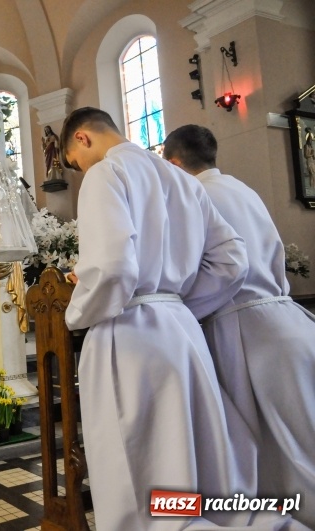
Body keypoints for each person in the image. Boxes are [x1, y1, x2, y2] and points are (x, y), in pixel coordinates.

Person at [59, 107, 302, 530]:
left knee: (143, 487)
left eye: (76, 164)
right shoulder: (184, 181)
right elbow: (232, 260)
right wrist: (179, 306)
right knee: (200, 477)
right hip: (184, 335)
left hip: (130, 337)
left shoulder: (106, 173)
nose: (82, 171)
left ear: (83, 138)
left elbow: (113, 269)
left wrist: (75, 314)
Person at [164, 124, 315, 528]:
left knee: (272, 448)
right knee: (303, 439)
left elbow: (214, 270)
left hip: (246, 330)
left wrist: (177, 312)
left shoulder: (193, 196)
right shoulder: (243, 189)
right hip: (289, 320)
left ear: (174, 164)